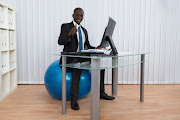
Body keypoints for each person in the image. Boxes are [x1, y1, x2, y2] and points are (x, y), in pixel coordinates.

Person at [58, 8, 115, 110]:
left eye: (81, 16)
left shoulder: (84, 31)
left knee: (100, 65)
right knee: (78, 67)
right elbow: (60, 41)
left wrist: (96, 48)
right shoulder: (66, 26)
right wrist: (69, 34)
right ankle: (74, 99)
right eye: (77, 15)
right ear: (73, 15)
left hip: (82, 56)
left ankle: (101, 92)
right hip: (71, 57)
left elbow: (86, 45)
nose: (79, 18)